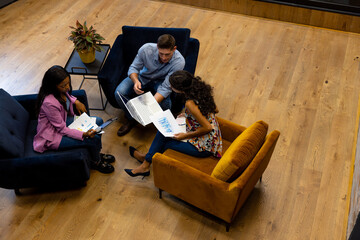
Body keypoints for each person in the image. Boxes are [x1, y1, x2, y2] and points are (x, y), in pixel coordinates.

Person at [124, 70, 222, 178]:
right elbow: (215, 110)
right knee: (162, 132)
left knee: (166, 145)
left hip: (204, 147)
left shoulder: (190, 103)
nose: (170, 86)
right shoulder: (201, 90)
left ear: (181, 89)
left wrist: (185, 135)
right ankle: (145, 161)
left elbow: (207, 127)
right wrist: (189, 115)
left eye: (172, 85)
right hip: (212, 137)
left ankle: (145, 164)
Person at [33, 65, 115, 174]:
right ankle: (96, 161)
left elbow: (66, 95)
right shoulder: (49, 103)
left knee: (98, 121)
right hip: (53, 135)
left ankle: (95, 152)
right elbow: (62, 129)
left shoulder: (60, 91)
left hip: (62, 121)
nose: (67, 87)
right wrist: (83, 134)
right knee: (92, 138)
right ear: (53, 86)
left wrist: (76, 101)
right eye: (63, 85)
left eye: (68, 83)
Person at [114, 34, 185, 136]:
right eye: (161, 53)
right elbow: (134, 68)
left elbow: (166, 87)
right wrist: (135, 81)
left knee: (166, 103)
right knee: (119, 92)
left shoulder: (179, 61)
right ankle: (131, 119)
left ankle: (162, 126)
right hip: (143, 77)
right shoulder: (146, 49)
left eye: (167, 54)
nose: (164, 58)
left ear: (174, 49)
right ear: (157, 47)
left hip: (162, 81)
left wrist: (146, 109)